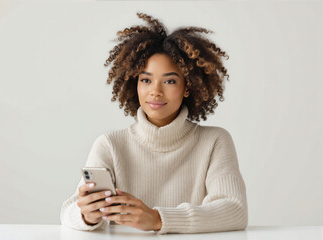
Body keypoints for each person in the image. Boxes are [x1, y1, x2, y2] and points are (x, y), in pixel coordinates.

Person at [60, 12, 248, 234]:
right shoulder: (110, 144)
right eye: (146, 80)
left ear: (188, 87)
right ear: (135, 84)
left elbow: (235, 210)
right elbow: (68, 212)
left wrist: (158, 219)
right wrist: (87, 215)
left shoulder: (215, 141)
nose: (155, 92)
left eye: (169, 81)